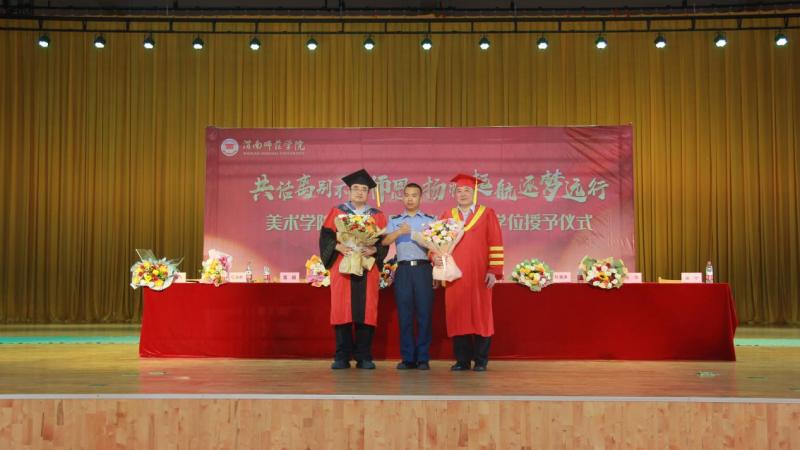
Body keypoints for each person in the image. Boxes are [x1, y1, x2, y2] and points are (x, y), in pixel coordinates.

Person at [434, 174, 504, 372]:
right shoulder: (447, 215)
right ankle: (462, 360)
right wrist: (434, 257)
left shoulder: (487, 213)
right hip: (454, 274)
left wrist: (494, 270)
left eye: (467, 190)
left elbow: (496, 243)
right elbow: (435, 242)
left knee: (481, 315)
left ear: (474, 193)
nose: (463, 194)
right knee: (458, 315)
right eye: (459, 191)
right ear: (454, 194)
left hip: (480, 274)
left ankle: (481, 361)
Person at [319, 169, 388, 370]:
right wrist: (338, 247)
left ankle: (364, 356)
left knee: (366, 311)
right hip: (343, 266)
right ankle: (341, 356)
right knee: (343, 310)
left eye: (363, 189)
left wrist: (375, 249)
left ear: (368, 193)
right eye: (355, 188)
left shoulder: (377, 216)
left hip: (367, 266)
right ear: (349, 191)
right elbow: (326, 237)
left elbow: (384, 242)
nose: (359, 192)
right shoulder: (337, 212)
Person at [381, 183, 436, 370]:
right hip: (403, 270)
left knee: (424, 315)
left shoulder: (430, 220)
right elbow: (384, 241)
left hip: (423, 269)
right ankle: (407, 358)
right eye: (407, 195)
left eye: (414, 195)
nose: (410, 198)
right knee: (405, 315)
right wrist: (399, 231)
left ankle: (423, 358)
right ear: (402, 198)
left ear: (420, 198)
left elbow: (437, 245)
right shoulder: (395, 220)